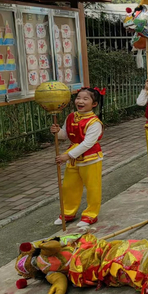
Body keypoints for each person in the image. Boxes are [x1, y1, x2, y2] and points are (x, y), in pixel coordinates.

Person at [50, 88, 104, 227]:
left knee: (92, 188)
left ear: (94, 104)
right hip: (73, 158)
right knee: (69, 186)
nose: (80, 101)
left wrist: (67, 156)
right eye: (78, 98)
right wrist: (58, 131)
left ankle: (91, 214)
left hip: (90, 158)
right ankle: (68, 212)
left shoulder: (94, 122)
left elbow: (87, 144)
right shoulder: (71, 117)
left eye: (85, 99)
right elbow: (66, 135)